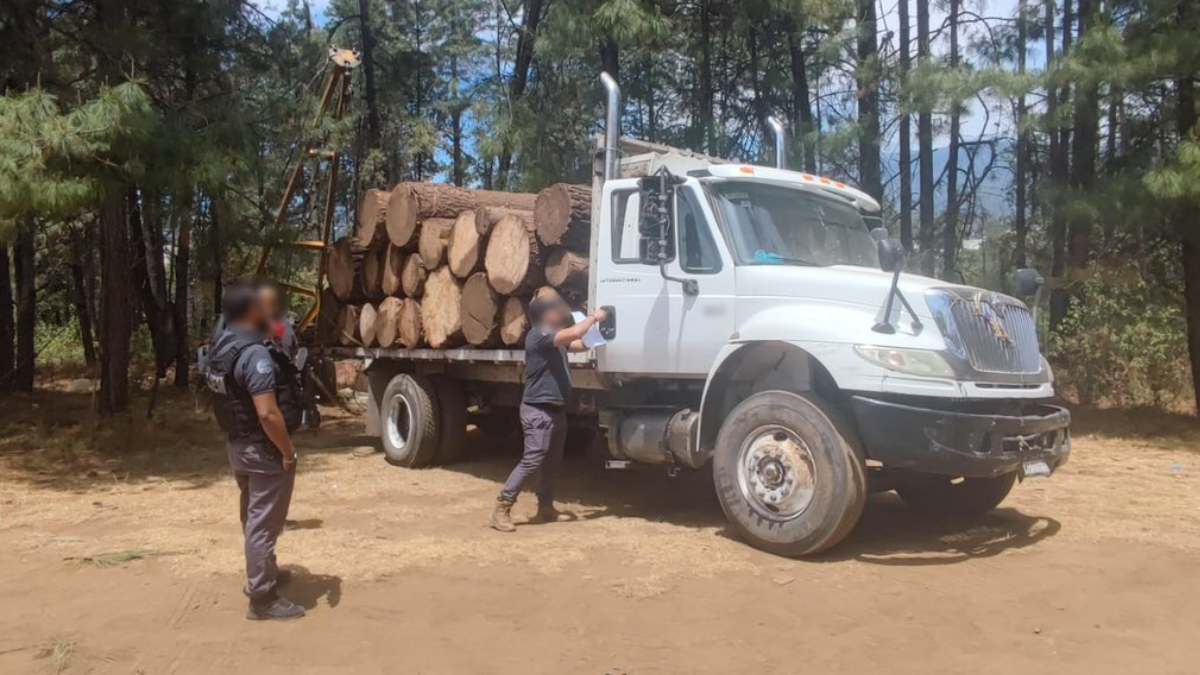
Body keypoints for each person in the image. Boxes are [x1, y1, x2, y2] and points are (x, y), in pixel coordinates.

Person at [205, 282, 306, 620]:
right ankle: (262, 597)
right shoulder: (254, 354)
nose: (270, 313)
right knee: (263, 522)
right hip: (262, 450)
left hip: (238, 445)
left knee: (252, 515)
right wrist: (288, 452)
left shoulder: (222, 346)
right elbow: (267, 412)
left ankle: (266, 571)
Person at [490, 289, 607, 532]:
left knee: (551, 463)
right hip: (538, 411)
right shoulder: (539, 335)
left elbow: (580, 343)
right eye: (554, 308)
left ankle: (545, 507)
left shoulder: (555, 338)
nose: (560, 311)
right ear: (543, 315)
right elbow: (575, 332)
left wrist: (602, 331)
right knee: (533, 460)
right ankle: (502, 507)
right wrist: (594, 317)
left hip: (555, 412)